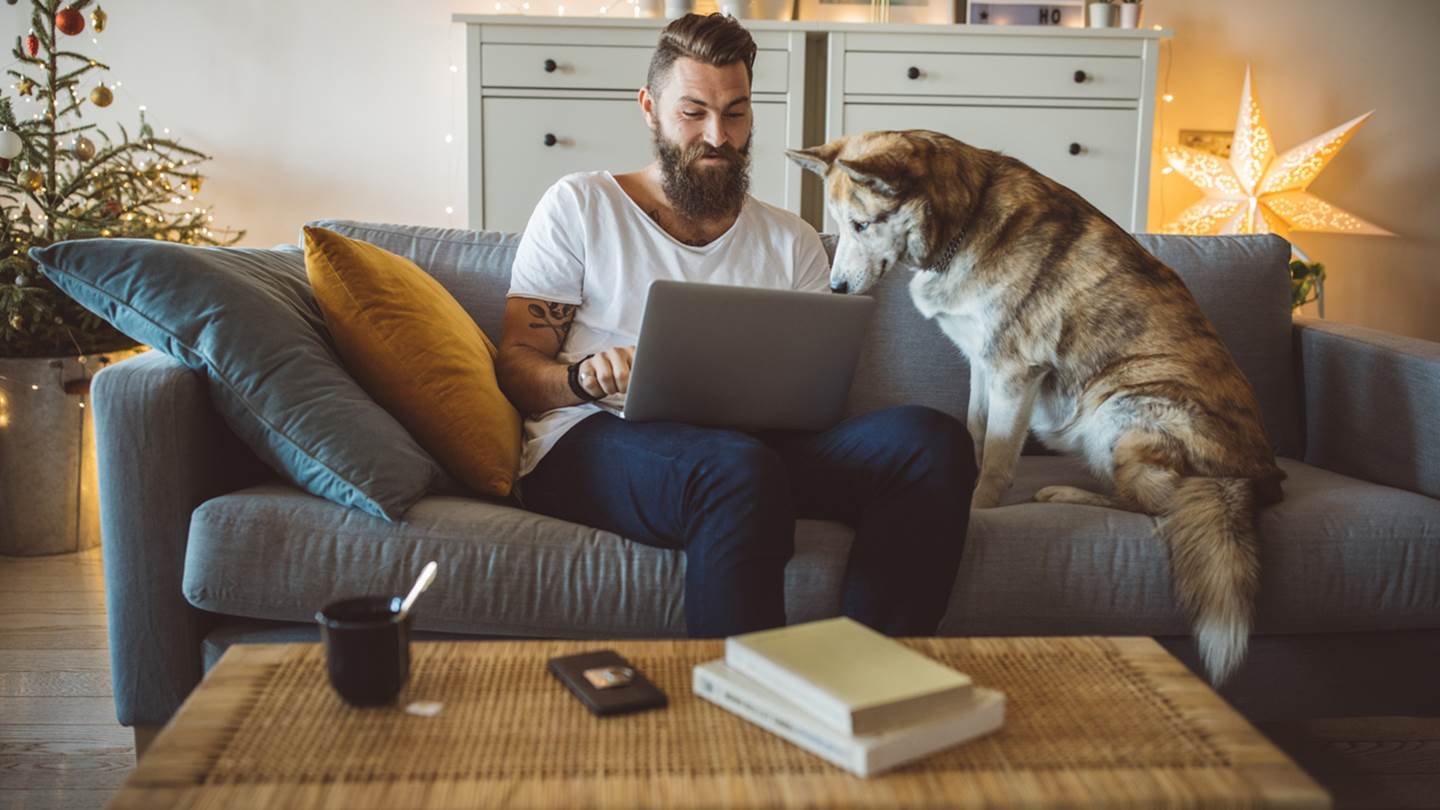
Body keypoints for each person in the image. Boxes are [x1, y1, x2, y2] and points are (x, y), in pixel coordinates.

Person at [496, 13, 976, 639]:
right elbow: (516, 366)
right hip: (594, 437)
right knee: (735, 467)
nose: (717, 136)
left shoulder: (792, 240)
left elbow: (814, 394)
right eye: (693, 113)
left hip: (754, 451)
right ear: (650, 109)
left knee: (930, 441)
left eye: (736, 113)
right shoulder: (581, 204)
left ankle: (870, 667)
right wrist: (583, 378)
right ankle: (738, 694)